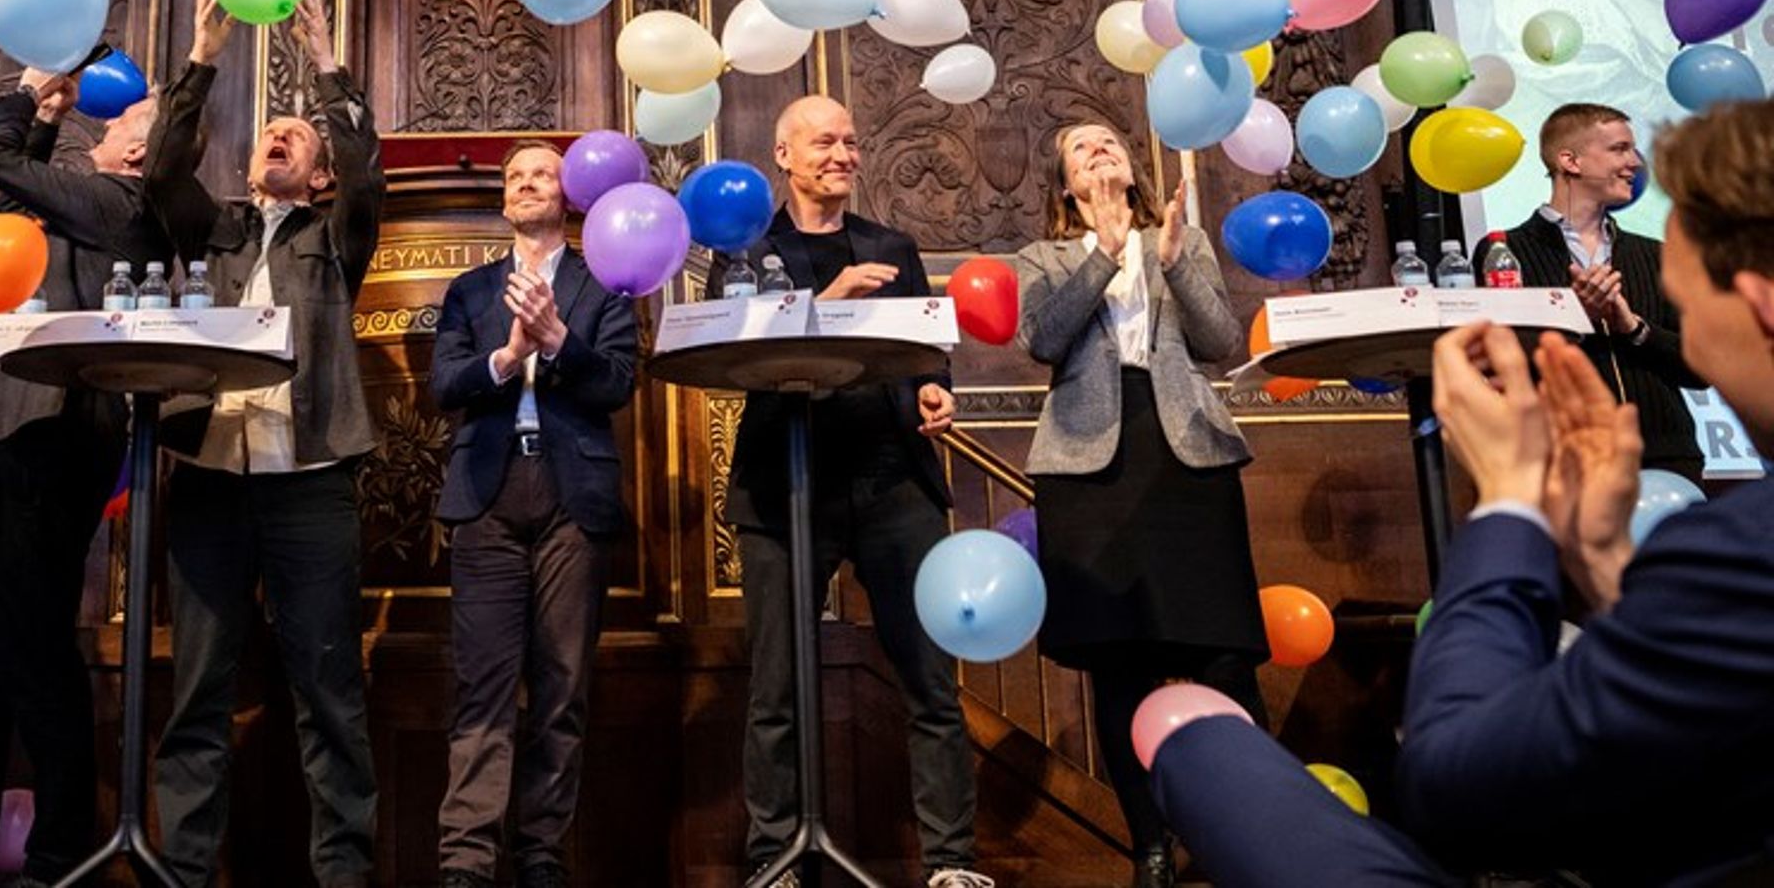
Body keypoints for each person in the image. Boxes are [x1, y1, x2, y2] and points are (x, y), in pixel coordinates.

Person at [1149, 98, 1774, 888]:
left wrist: (1509, 499)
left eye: (1691, 303)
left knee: (1203, 748)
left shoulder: (1738, 551)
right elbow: (1701, 699)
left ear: (1759, 303)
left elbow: (1453, 785)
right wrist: (1607, 565)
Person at [0, 70, 168, 888]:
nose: (112, 121)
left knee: (35, 653)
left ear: (139, 152)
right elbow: (13, 215)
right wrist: (45, 122)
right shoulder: (74, 202)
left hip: (56, 436)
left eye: (130, 119)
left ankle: (58, 858)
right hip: (7, 433)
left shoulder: (122, 202)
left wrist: (22, 94)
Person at [705, 96, 988, 888]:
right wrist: (831, 303)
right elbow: (732, 351)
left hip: (892, 480)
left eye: (851, 142)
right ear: (784, 154)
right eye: (824, 141)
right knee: (776, 687)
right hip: (784, 484)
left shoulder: (892, 245)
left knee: (930, 679)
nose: (842, 153)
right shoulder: (747, 250)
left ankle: (951, 862)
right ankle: (776, 859)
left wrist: (935, 387)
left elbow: (929, 345)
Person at [144, 0, 385, 888]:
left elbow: (367, 171)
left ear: (318, 176)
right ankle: (185, 874)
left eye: (298, 136)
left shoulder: (336, 237)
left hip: (310, 481)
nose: (278, 135)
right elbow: (162, 171)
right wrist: (203, 55)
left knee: (329, 691)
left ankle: (344, 877)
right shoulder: (216, 231)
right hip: (209, 481)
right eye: (269, 132)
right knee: (198, 691)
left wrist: (324, 61)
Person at [1014, 122, 1264, 888]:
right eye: (1080, 147)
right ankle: (1149, 846)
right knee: (1118, 665)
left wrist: (1171, 261)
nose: (1100, 148)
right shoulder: (1044, 256)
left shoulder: (1181, 240)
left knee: (1222, 658)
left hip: (1187, 457)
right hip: (1088, 471)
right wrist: (1104, 251)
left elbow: (1219, 339)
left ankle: (1249, 836)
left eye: (1109, 141)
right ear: (1065, 185)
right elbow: (1044, 339)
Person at [429, 141, 639, 888]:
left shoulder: (604, 285)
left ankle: (542, 854)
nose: (525, 184)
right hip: (486, 494)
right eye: (514, 176)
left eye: (540, 173)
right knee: (481, 684)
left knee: (562, 684)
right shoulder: (470, 290)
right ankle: (467, 860)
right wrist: (507, 353)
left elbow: (618, 383)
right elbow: (445, 384)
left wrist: (556, 343)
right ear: (504, 200)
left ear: (568, 194)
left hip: (571, 497)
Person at [1475, 102, 1706, 482]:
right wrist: (1573, 318)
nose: (1635, 162)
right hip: (1564, 461)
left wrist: (1634, 329)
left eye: (1633, 150)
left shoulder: (1656, 254)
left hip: (1666, 461)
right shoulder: (1503, 251)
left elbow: (1699, 369)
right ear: (1570, 161)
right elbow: (1501, 365)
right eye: (1619, 149)